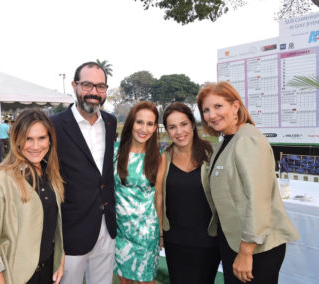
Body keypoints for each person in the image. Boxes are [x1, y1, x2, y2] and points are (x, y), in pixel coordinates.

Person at [0, 62, 117, 284]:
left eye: (100, 86)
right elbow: (20, 169)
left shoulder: (110, 122)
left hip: (106, 228)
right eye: (87, 85)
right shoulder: (53, 125)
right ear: (74, 85)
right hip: (71, 233)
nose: (94, 92)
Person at [197, 81, 299, 284]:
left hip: (255, 248)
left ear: (235, 107)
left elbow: (258, 200)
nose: (212, 115)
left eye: (218, 106)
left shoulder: (248, 140)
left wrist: (246, 251)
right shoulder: (226, 141)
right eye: (206, 110)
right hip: (233, 242)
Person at [0, 109, 65, 284]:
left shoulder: (51, 174)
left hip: (48, 273)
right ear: (16, 139)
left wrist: (60, 260)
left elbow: (55, 225)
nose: (35, 146)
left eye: (41, 138)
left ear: (50, 140)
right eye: (28, 138)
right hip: (16, 277)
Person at [155, 102, 220, 284]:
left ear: (192, 124)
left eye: (183, 124)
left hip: (208, 240)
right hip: (175, 241)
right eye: (172, 127)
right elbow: (158, 196)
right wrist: (160, 232)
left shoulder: (211, 153)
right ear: (167, 131)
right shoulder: (164, 157)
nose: (179, 132)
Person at [114, 101, 161, 284]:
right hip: (120, 232)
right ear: (131, 123)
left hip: (146, 235)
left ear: (155, 127)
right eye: (139, 122)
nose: (144, 129)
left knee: (145, 281)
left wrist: (161, 234)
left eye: (150, 124)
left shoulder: (158, 157)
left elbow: (159, 197)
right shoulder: (114, 153)